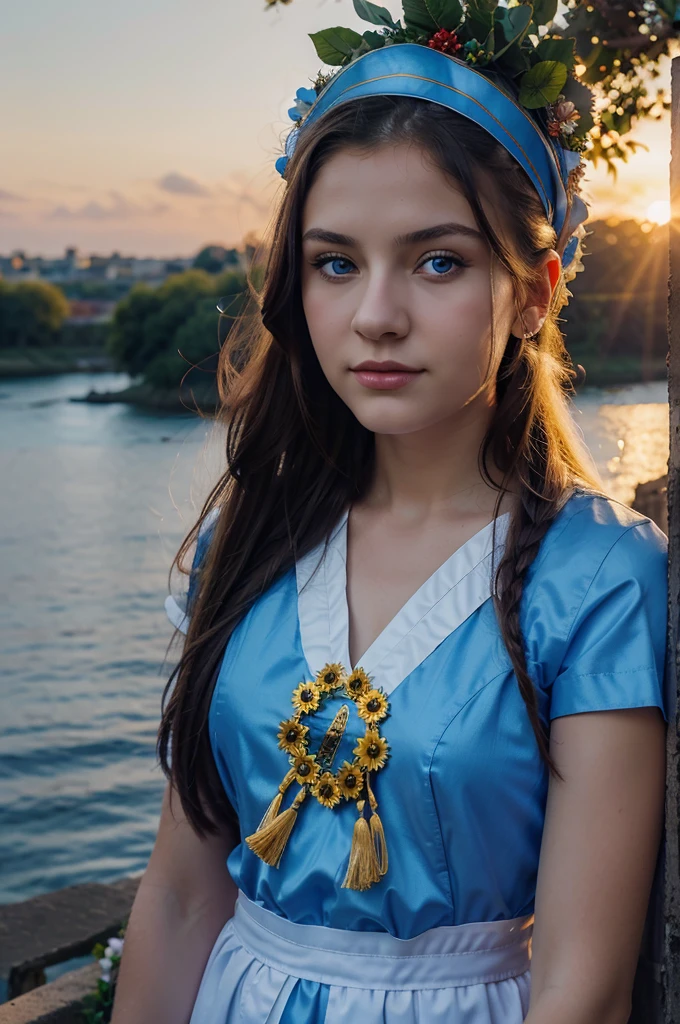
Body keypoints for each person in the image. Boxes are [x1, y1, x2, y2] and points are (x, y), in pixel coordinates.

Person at [111, 8, 669, 1023]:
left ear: (535, 289)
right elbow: (185, 897)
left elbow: (579, 989)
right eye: (335, 263)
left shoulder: (592, 579)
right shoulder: (249, 541)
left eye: (438, 261)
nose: (375, 313)